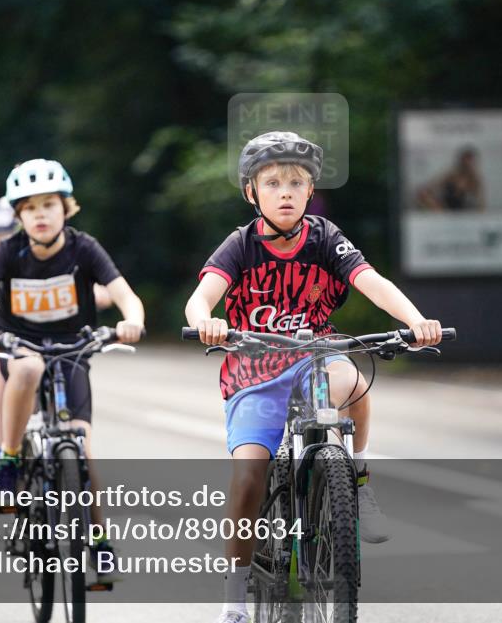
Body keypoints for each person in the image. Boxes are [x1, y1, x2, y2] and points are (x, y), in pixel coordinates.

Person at [184, 131, 443, 623]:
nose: (285, 192)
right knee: (248, 476)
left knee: (355, 381)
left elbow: (372, 282)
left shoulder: (325, 237)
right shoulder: (240, 245)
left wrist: (415, 321)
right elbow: (202, 297)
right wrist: (206, 322)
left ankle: (356, 481)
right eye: (272, 183)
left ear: (310, 191)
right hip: (255, 369)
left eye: (296, 183)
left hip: (315, 357)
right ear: (251, 192)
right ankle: (234, 601)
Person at [0, 159, 145, 514]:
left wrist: (132, 321)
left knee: (82, 451)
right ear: (19, 216)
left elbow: (125, 295)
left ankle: (97, 537)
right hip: (20, 346)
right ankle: (9, 460)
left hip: (71, 350)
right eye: (30, 208)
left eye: (49, 204)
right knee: (29, 368)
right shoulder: (8, 250)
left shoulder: (84, 247)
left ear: (66, 208)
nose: (40, 214)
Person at [0, 197, 114, 469]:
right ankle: (4, 444)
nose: (2, 240)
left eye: (6, 233)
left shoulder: (75, 250)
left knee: (81, 445)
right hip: (7, 335)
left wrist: (99, 294)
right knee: (6, 375)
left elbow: (101, 288)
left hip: (58, 335)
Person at [415, 145, 485, 211]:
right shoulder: (451, 175)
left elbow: (480, 200)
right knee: (423, 194)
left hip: (462, 210)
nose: (467, 163)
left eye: (469, 161)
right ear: (461, 161)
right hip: (446, 208)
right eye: (465, 160)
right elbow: (432, 185)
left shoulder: (474, 179)